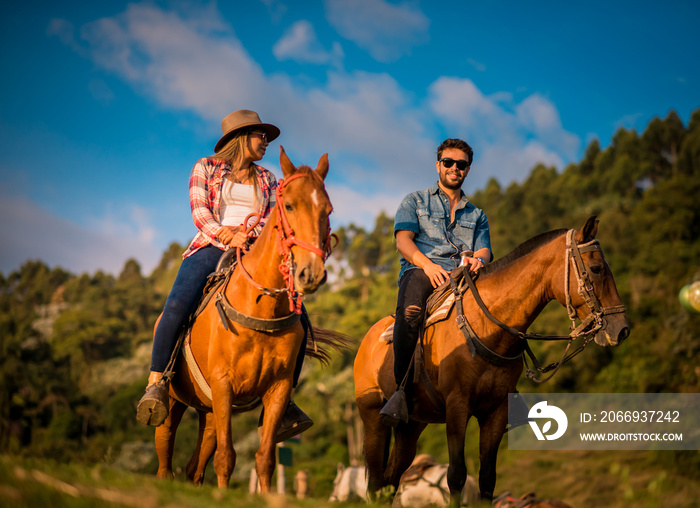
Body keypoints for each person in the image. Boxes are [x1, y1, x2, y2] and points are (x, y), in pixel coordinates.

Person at [136, 110, 313, 440]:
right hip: (211, 246)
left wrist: (250, 237)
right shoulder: (205, 167)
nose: (267, 142)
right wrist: (227, 234)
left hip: (255, 253)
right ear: (242, 137)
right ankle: (157, 382)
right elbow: (200, 212)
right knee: (175, 308)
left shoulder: (269, 179)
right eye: (262, 136)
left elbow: (275, 219)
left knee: (300, 318)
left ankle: (286, 401)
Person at [380, 138, 492, 426]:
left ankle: (503, 390)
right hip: (421, 269)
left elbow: (484, 249)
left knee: (500, 308)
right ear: (438, 165)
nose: (455, 168)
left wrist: (478, 260)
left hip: (464, 274)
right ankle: (401, 392)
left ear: (468, 169)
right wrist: (427, 265)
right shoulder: (415, 201)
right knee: (410, 312)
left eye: (461, 164)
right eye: (449, 162)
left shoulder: (477, 214)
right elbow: (403, 241)